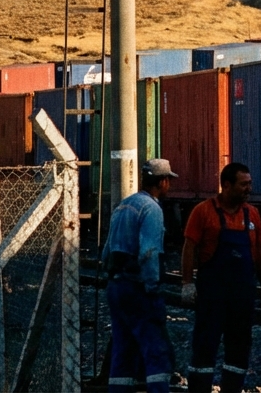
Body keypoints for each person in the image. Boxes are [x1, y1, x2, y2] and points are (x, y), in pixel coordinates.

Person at [180, 162, 261, 393]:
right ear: (227, 185)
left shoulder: (252, 214)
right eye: (244, 184)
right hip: (213, 296)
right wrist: (187, 284)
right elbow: (189, 248)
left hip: (242, 296)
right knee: (205, 346)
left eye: (249, 183)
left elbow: (260, 251)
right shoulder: (203, 211)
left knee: (239, 348)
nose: (249, 188)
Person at [102, 158, 178, 393]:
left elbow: (106, 252)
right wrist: (152, 287)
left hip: (116, 286)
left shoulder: (124, 205)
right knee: (155, 349)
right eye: (169, 182)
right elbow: (149, 252)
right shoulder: (151, 209)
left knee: (123, 350)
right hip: (138, 288)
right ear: (163, 181)